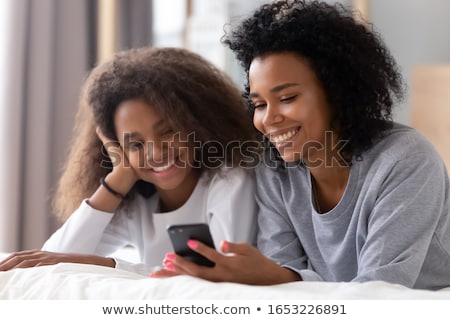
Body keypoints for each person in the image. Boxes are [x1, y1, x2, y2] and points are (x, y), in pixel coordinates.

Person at [151, 0, 450, 290]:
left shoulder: (404, 161)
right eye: (259, 104)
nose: (269, 119)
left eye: (287, 98)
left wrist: (281, 278)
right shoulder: (275, 171)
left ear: (338, 93)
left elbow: (379, 290)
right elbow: (283, 275)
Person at [0, 47, 258, 275]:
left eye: (167, 131)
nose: (156, 152)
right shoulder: (138, 204)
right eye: (135, 144)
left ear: (196, 123)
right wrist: (119, 178)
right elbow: (53, 262)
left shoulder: (230, 179)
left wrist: (111, 266)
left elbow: (228, 271)